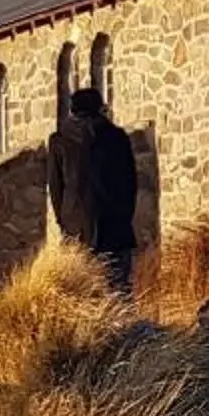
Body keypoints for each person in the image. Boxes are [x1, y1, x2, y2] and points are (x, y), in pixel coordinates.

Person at [48, 87, 141, 288]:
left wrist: (64, 222)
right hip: (115, 227)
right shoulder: (117, 138)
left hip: (76, 229)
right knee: (117, 290)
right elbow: (130, 183)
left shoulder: (60, 141)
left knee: (81, 293)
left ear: (73, 111)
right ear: (100, 108)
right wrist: (125, 216)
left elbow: (56, 188)